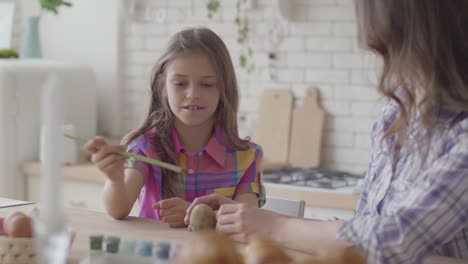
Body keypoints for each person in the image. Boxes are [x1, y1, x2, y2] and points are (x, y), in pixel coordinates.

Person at [185, 0, 468, 263]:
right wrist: (253, 219)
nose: (386, 62)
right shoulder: (393, 115)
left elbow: (390, 240)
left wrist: (275, 226)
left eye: (389, 46)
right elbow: (360, 229)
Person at [84, 27, 265, 228]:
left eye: (207, 84)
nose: (192, 94)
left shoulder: (247, 156)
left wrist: (195, 215)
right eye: (180, 83)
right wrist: (115, 178)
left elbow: (249, 222)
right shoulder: (146, 146)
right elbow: (118, 210)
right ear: (163, 85)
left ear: (224, 89)